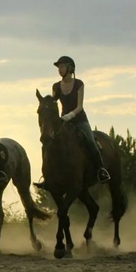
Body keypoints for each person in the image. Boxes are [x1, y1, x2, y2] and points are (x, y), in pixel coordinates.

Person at [43, 55, 110, 184]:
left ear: (70, 68)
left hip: (79, 119)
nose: (59, 70)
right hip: (63, 121)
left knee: (91, 141)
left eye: (62, 66)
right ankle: (48, 175)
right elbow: (53, 103)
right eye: (59, 67)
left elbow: (80, 107)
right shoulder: (56, 86)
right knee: (50, 142)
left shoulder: (79, 84)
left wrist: (70, 115)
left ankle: (101, 170)